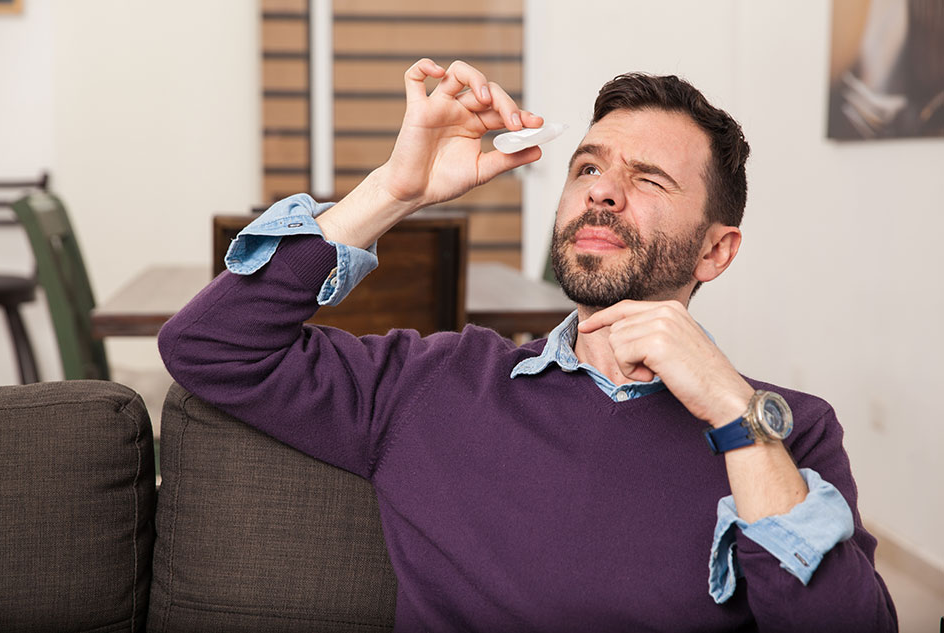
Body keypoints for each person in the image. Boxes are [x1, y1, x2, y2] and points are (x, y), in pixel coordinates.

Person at [159, 59, 897, 632]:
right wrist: (397, 188)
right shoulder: (435, 379)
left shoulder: (782, 430)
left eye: (647, 178)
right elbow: (210, 346)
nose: (602, 192)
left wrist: (738, 418)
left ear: (715, 252)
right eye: (588, 167)